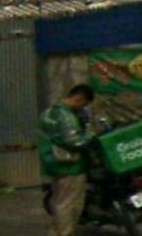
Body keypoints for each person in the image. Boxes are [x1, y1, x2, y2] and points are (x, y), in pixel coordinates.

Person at [39, 84, 95, 236]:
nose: (83, 108)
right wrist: (93, 136)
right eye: (83, 104)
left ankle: (55, 233)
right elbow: (74, 142)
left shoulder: (49, 113)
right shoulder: (67, 117)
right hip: (71, 166)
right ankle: (65, 233)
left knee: (59, 202)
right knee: (70, 205)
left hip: (55, 163)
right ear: (79, 99)